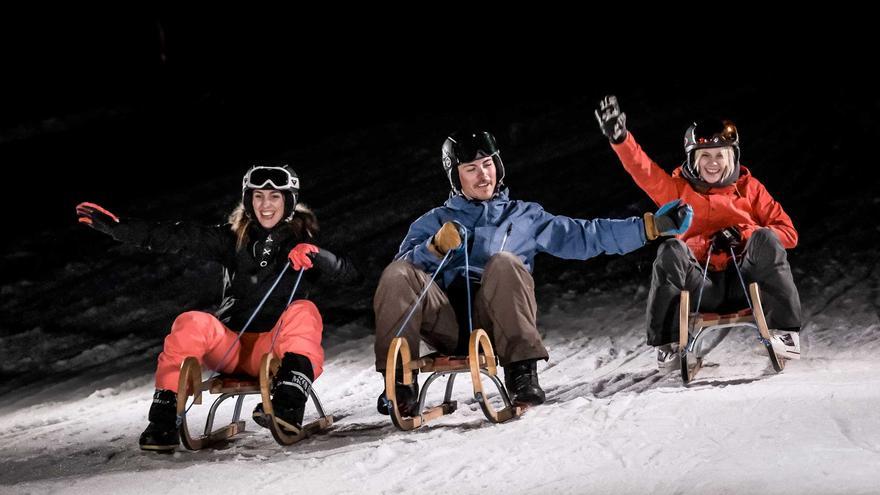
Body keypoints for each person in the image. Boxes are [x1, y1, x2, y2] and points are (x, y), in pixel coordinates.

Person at [373, 130, 692, 414]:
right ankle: (399, 384)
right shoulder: (434, 220)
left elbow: (584, 236)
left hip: (501, 323)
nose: (483, 175)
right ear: (456, 178)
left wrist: (650, 227)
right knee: (398, 273)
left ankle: (522, 372)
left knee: (504, 262)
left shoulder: (525, 216)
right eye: (471, 169)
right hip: (445, 322)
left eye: (488, 164)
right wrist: (434, 248)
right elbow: (400, 277)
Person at [75, 161, 360, 451]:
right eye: (258, 196)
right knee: (191, 321)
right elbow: (175, 236)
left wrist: (317, 255)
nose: (266, 205)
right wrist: (119, 228)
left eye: (275, 197)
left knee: (304, 312)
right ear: (248, 201)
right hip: (230, 348)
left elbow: (350, 272)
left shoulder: (305, 240)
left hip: (274, 349)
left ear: (289, 202)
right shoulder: (229, 238)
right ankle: (163, 419)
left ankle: (287, 405)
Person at [595, 95, 802, 368]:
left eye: (720, 155)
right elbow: (643, 171)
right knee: (669, 249)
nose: (713, 162)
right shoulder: (677, 190)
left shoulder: (749, 188)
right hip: (702, 287)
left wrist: (745, 234)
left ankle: (786, 335)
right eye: (705, 155)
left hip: (746, 280)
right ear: (693, 158)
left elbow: (788, 233)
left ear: (732, 156)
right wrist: (620, 139)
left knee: (766, 237)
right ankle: (667, 345)